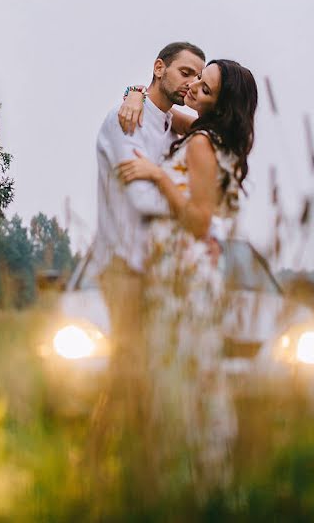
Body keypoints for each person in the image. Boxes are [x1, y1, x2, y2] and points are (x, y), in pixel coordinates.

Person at [116, 58, 258, 495]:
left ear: (220, 106)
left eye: (207, 89)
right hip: (185, 273)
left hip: (185, 277)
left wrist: (159, 175)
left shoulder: (200, 143)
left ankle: (189, 487)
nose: (194, 87)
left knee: (183, 382)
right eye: (198, 77)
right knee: (190, 379)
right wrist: (136, 92)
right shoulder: (211, 137)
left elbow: (198, 221)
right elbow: (157, 106)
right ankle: (196, 486)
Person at [89, 41, 206, 493]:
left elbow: (214, 123)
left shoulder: (168, 123)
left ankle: (138, 470)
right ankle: (99, 469)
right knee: (128, 370)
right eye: (185, 72)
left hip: (156, 272)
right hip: (123, 267)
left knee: (147, 374)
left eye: (198, 76)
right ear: (160, 68)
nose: (192, 82)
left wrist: (135, 88)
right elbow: (140, 200)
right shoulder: (127, 121)